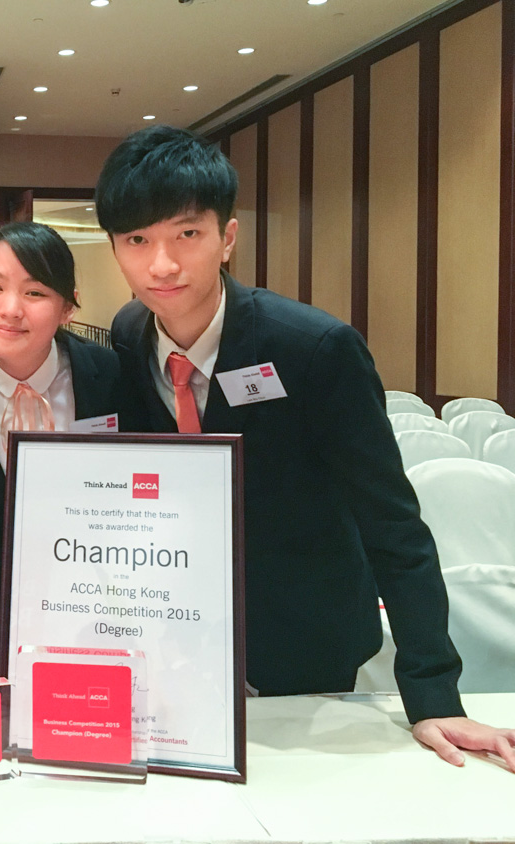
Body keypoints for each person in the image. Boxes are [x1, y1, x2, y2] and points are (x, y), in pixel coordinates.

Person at [98, 124, 515, 770]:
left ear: (227, 237)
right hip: (182, 633)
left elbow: (393, 525)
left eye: (187, 234)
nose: (162, 264)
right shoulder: (129, 334)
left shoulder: (313, 349)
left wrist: (434, 695)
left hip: (306, 637)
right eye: (137, 240)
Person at [0, 222, 122, 676]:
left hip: (103, 608)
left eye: (35, 293)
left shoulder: (111, 375)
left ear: (67, 307)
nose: (10, 309)